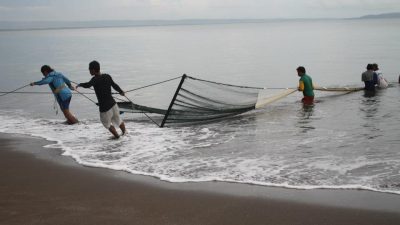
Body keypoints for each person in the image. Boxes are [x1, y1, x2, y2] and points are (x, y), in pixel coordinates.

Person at [76, 60, 126, 139]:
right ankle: (125, 134)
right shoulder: (107, 76)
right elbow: (114, 85)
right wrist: (121, 91)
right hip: (113, 104)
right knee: (118, 120)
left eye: (89, 69)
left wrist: (79, 84)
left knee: (107, 124)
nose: (89, 71)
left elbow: (88, 85)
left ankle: (117, 137)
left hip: (105, 108)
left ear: (93, 70)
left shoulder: (95, 79)